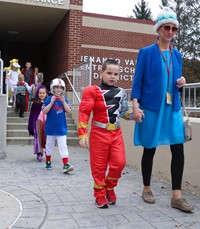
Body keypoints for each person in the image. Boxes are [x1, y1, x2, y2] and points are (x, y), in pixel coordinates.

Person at [131, 7, 194, 212]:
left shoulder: (177, 55)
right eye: (166, 27)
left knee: (178, 148)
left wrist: (182, 81)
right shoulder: (146, 53)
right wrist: (135, 106)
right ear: (159, 29)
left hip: (172, 108)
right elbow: (137, 81)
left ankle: (176, 195)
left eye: (173, 28)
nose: (170, 32)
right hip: (152, 108)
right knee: (150, 148)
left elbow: (176, 80)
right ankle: (147, 188)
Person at [78, 59, 133, 209]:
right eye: (109, 73)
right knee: (99, 167)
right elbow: (84, 112)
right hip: (98, 133)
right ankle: (100, 194)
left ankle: (109, 187)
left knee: (119, 163)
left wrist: (134, 116)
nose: (112, 76)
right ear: (101, 73)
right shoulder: (92, 90)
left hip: (116, 133)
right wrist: (82, 134)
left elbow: (123, 112)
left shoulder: (121, 92)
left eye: (116, 74)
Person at [42, 78, 74, 174]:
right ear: (53, 88)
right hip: (51, 128)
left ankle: (66, 164)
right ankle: (48, 162)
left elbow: (69, 111)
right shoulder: (48, 99)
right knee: (49, 146)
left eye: (61, 87)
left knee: (63, 146)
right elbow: (44, 111)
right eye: (56, 87)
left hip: (61, 128)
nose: (59, 89)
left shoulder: (64, 99)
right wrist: (51, 102)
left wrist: (64, 102)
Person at [28, 85, 48, 162]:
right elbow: (32, 115)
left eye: (43, 93)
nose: (42, 94)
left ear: (46, 93)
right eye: (40, 93)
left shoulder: (48, 102)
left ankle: (47, 151)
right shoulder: (35, 103)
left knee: (46, 137)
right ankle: (39, 153)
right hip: (37, 123)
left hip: (46, 122)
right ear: (37, 94)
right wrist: (31, 125)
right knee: (38, 138)